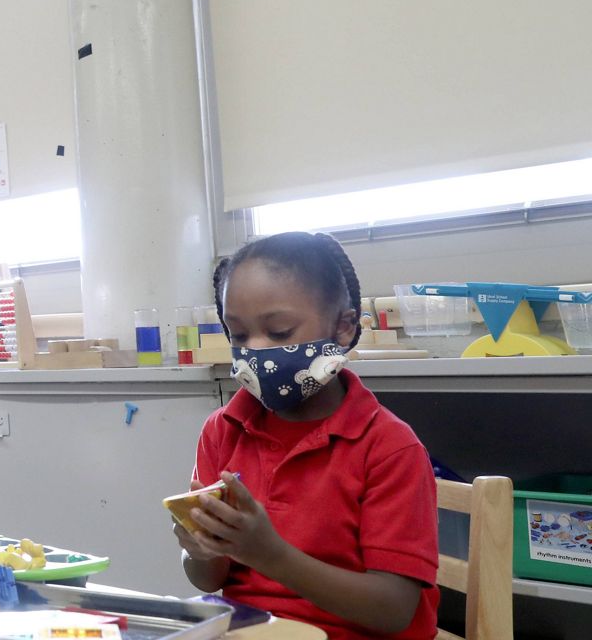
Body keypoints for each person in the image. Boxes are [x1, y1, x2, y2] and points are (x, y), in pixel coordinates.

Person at [174, 232, 439, 638]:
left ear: (344, 328)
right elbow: (208, 579)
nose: (256, 351)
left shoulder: (388, 447)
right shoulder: (223, 430)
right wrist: (199, 549)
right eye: (239, 335)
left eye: (279, 333)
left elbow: (394, 610)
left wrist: (271, 555)